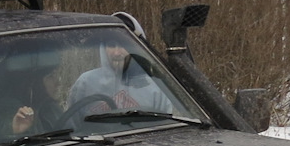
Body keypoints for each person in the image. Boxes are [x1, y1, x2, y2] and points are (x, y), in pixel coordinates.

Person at [10, 37, 172, 134]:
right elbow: (71, 128)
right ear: (102, 48)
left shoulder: (154, 86)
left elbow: (168, 129)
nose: (117, 52)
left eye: (123, 45)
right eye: (111, 45)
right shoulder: (86, 82)